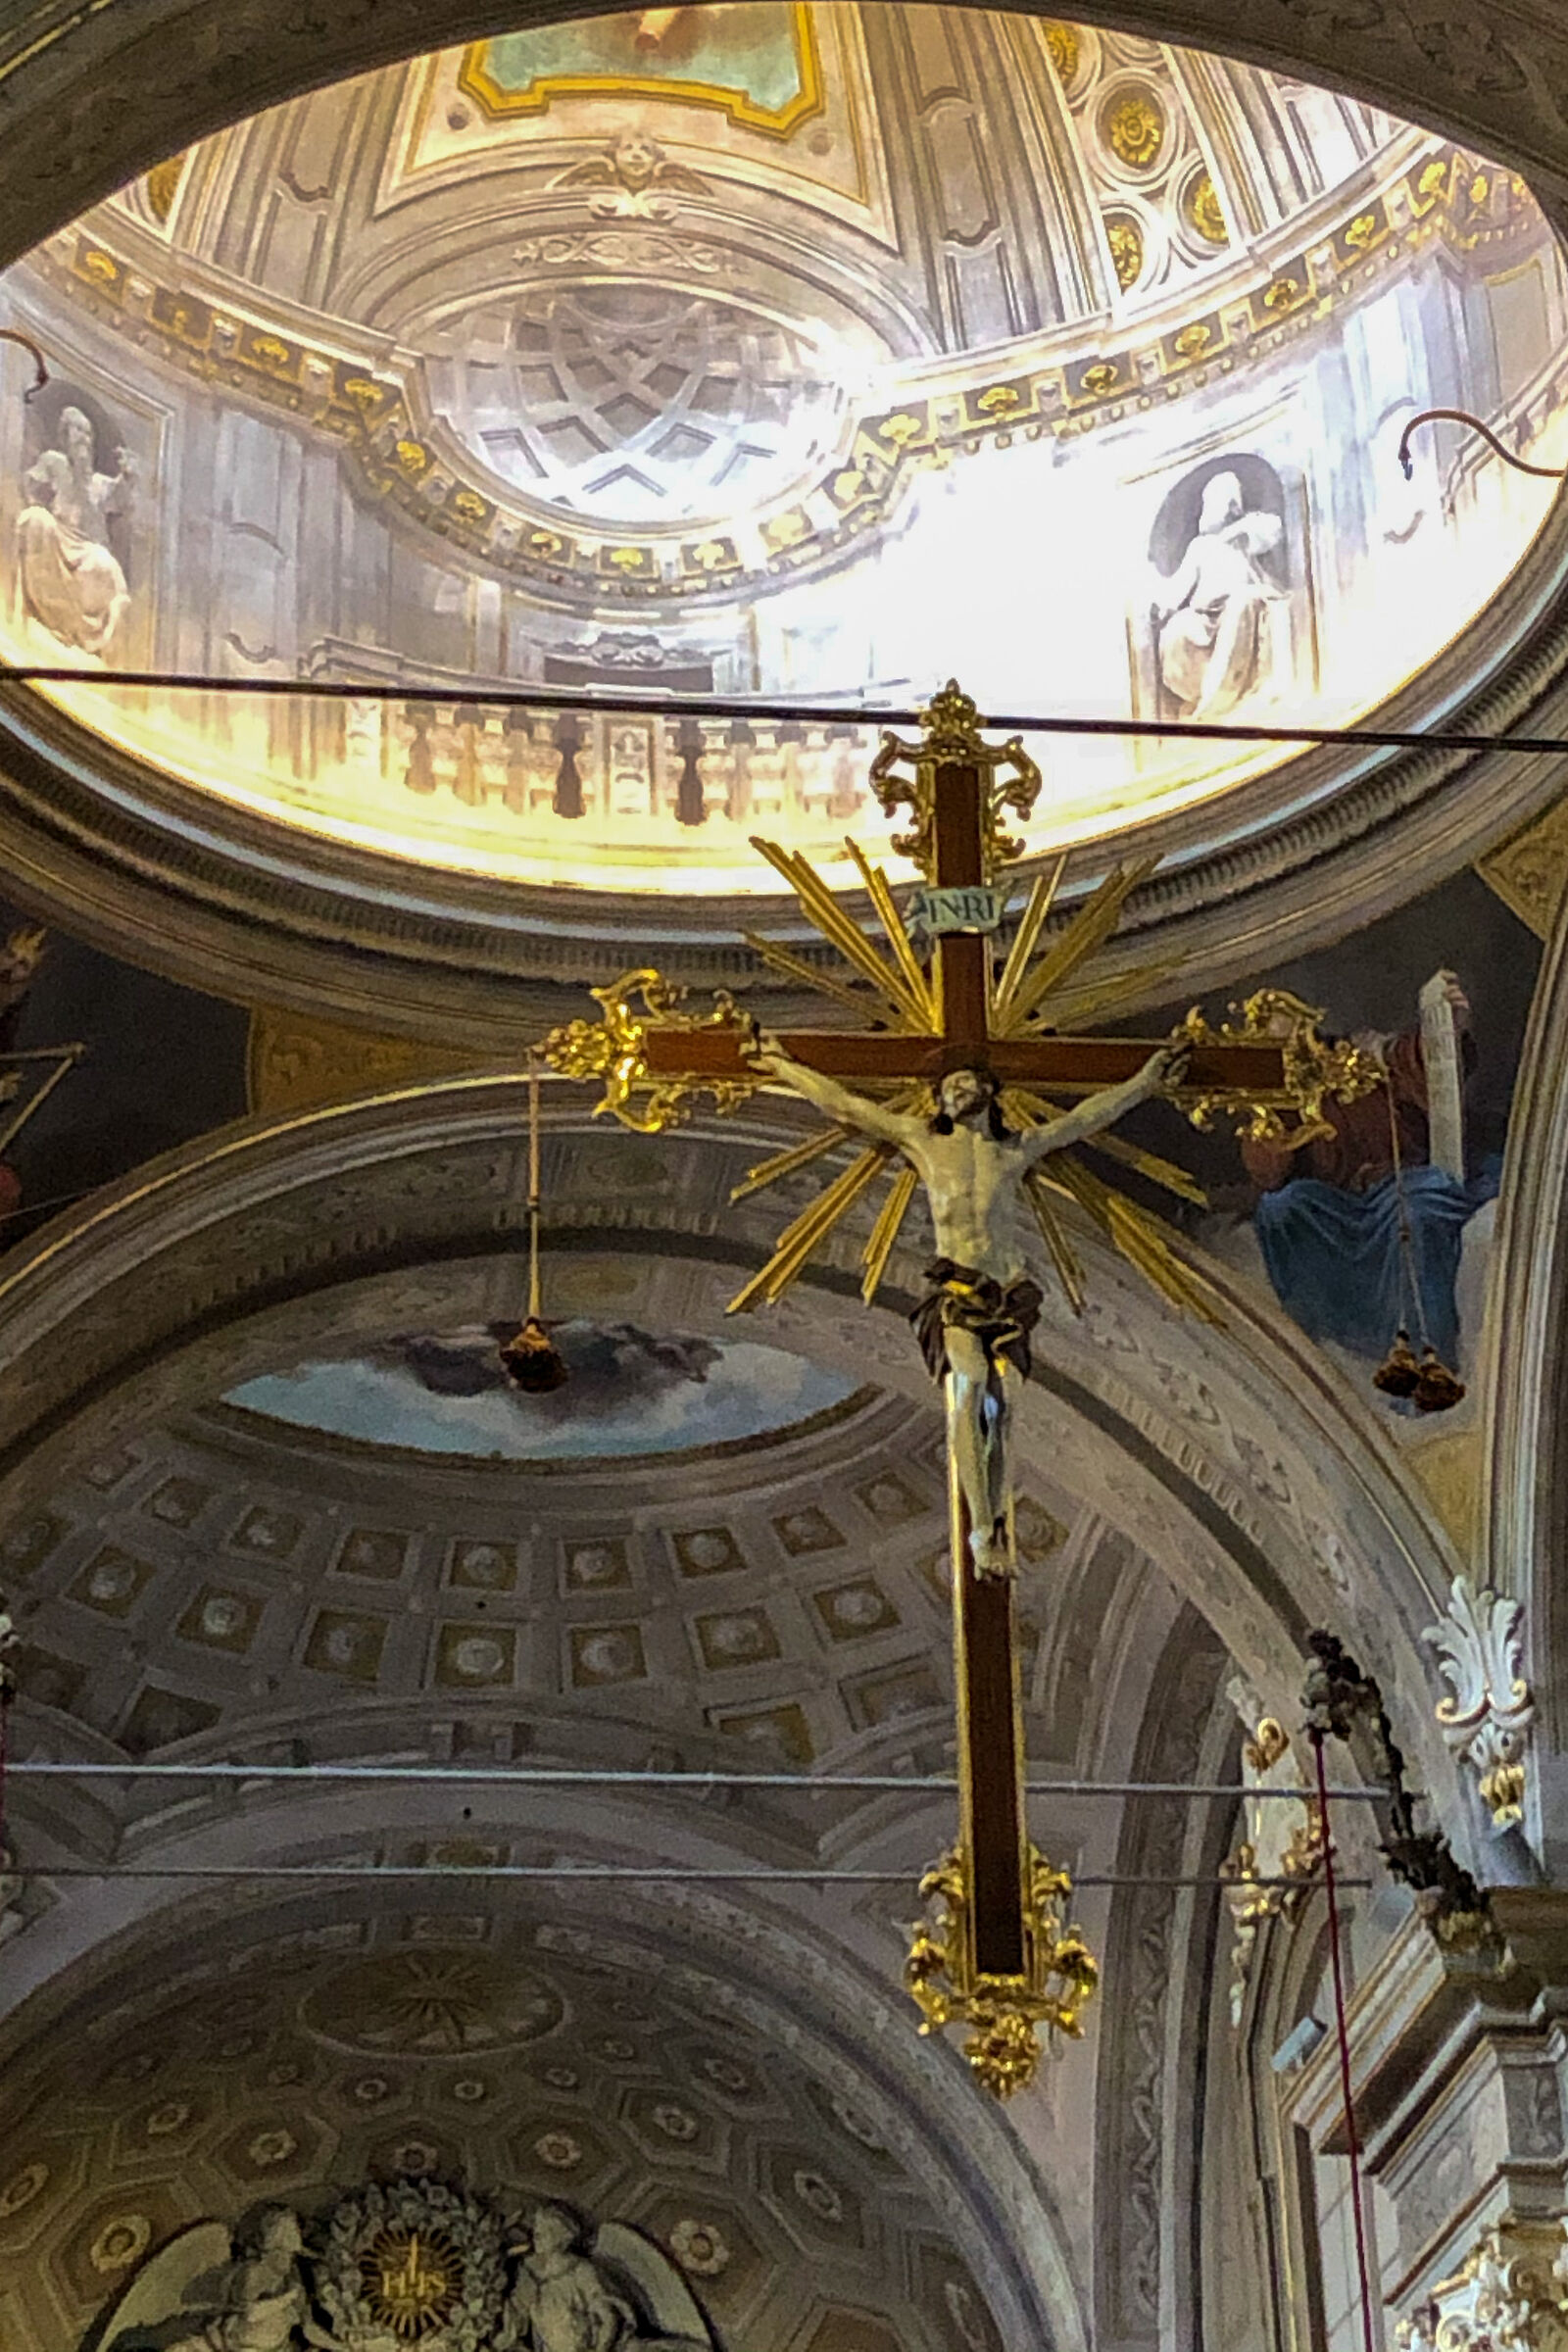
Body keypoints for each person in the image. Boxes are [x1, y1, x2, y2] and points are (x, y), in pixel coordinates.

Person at [749, 1039, 1188, 1575]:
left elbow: (1082, 1119)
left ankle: (997, 1523)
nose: (952, 1094)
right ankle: (981, 1528)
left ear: (987, 1091)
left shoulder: (1015, 1150)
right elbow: (845, 1105)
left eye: (962, 1085)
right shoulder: (925, 1144)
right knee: (969, 1386)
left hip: (1009, 1292)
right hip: (955, 1292)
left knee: (1005, 1407)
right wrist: (783, 1063)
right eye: (945, 1089)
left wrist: (1144, 1082)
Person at [1241, 973, 1493, 1366]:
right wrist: (1270, 1125)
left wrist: (1449, 1025)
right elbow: (1268, 1176)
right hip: (1338, 1208)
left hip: (1399, 1182)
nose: (1289, 1056)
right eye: (1275, 1049)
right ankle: (1324, 1341)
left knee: (1419, 1209)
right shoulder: (1273, 1099)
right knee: (1280, 1207)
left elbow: (1417, 1061)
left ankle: (1428, 1357)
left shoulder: (1360, 1058)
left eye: (1294, 1042)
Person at [1153, 469, 1285, 717]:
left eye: (1215, 503)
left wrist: (1237, 529)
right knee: (1177, 629)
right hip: (1205, 616)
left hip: (1240, 605)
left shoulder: (1245, 533)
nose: (1208, 510)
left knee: (1240, 604)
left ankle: (1220, 696)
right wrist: (1164, 606)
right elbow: (1180, 584)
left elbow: (1272, 531)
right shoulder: (1200, 546)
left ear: (1232, 505)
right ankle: (1198, 693)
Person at [16, 405, 136, 657]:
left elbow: (122, 499)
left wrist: (127, 474)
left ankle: (84, 636)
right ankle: (40, 614)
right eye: (78, 431)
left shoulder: (97, 482)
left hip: (85, 548)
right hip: (58, 536)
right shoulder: (54, 461)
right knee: (35, 519)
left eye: (88, 434)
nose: (84, 439)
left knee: (105, 563)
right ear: (64, 436)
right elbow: (30, 484)